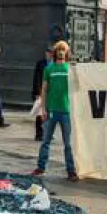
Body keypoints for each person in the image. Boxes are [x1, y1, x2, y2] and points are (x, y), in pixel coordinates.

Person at [33, 41, 78, 181]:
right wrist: (43, 109)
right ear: (55, 52)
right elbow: (44, 90)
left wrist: (76, 72)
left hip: (66, 111)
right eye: (59, 49)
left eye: (63, 50)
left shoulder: (70, 69)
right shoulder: (49, 69)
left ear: (67, 52)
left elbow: (77, 87)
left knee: (68, 143)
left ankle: (71, 170)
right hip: (52, 110)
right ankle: (41, 167)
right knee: (45, 140)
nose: (61, 52)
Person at [31, 47, 51, 142]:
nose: (50, 55)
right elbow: (37, 79)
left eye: (51, 53)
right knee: (40, 114)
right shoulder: (41, 63)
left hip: (51, 93)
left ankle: (46, 132)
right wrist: (37, 93)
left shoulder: (55, 64)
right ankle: (38, 134)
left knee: (48, 114)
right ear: (46, 53)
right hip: (41, 92)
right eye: (48, 53)